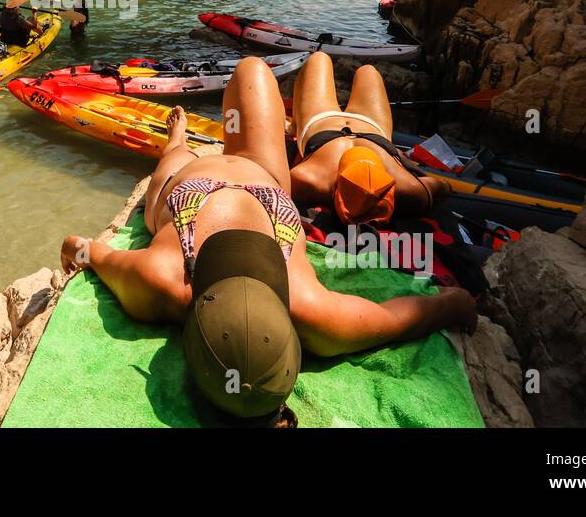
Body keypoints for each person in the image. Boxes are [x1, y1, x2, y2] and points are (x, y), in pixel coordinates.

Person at [58, 58, 476, 423]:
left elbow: (86, 249)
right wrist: (452, 304)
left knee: (182, 152)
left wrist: (453, 305)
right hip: (260, 181)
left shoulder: (162, 282)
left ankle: (179, 141)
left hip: (195, 187)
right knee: (252, 70)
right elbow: (410, 315)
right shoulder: (312, 312)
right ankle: (182, 146)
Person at [288, 52, 449, 223]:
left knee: (318, 58)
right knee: (368, 71)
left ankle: (294, 127)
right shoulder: (412, 192)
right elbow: (444, 187)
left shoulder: (308, 180)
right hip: (371, 130)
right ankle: (294, 127)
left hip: (324, 127)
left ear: (335, 190)